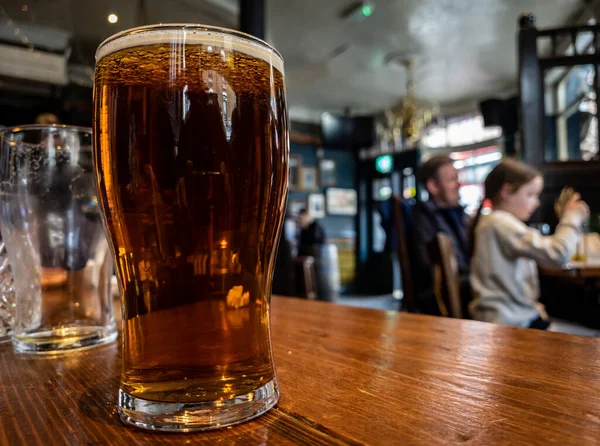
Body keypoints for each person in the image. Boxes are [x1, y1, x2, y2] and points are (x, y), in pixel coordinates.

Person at [469, 159, 589, 329]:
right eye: (530, 194)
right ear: (507, 192)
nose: (537, 202)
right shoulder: (499, 222)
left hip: (514, 319)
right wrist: (571, 217)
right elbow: (558, 254)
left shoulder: (494, 223)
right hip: (511, 325)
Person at [411, 155, 470, 315]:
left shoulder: (459, 214)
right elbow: (430, 268)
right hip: (442, 295)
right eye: (452, 179)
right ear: (433, 186)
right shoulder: (423, 217)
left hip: (462, 285)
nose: (458, 185)